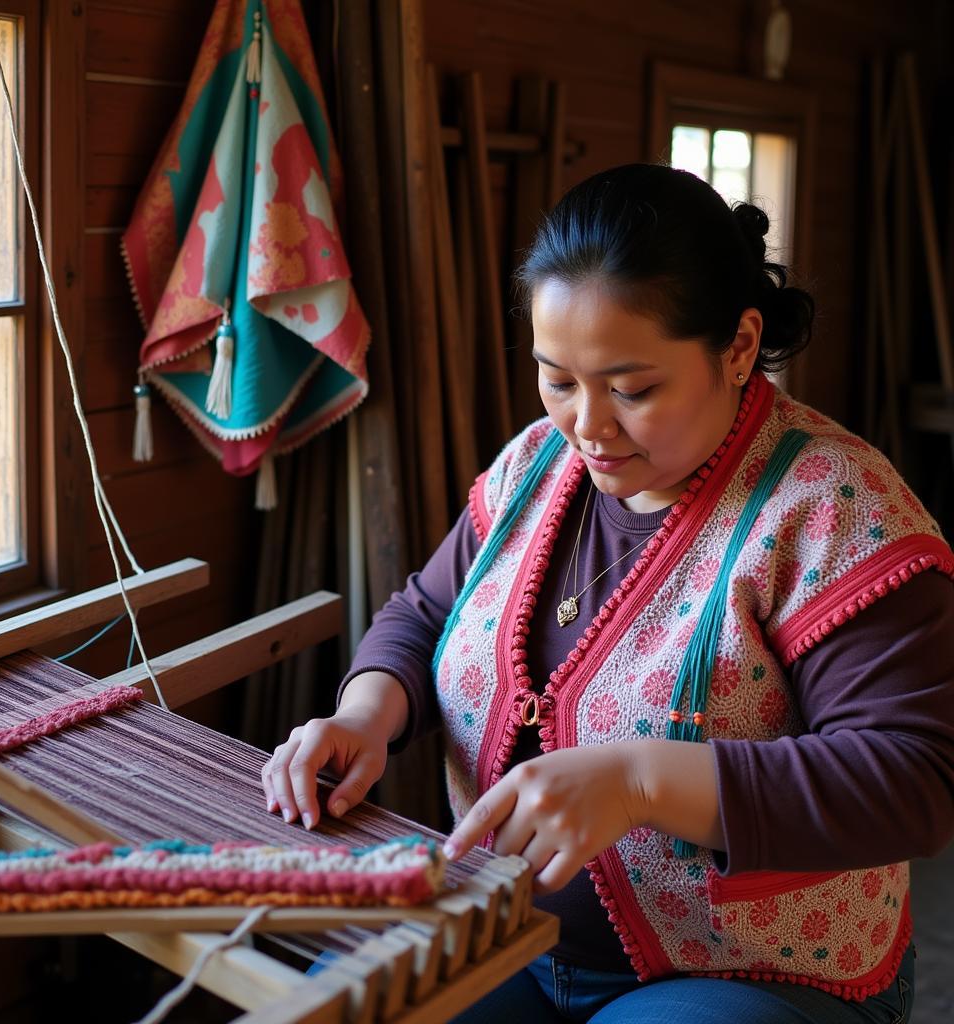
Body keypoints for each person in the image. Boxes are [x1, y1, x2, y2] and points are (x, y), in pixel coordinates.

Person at [261, 164, 954, 1022]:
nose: (586, 425)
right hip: (508, 931)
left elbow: (915, 781)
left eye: (632, 389)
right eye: (558, 379)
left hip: (746, 970)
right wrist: (367, 714)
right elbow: (428, 611)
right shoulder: (534, 469)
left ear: (738, 347)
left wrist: (639, 780)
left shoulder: (834, 512)